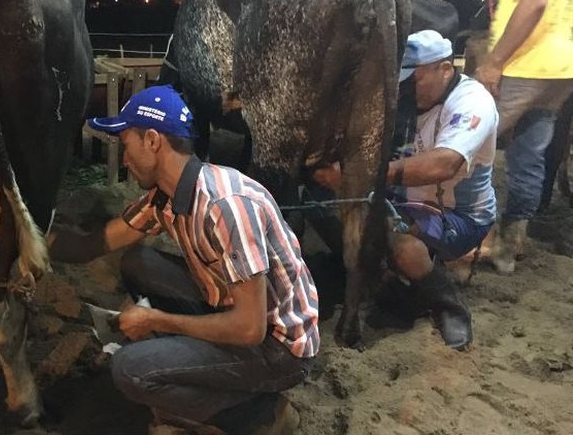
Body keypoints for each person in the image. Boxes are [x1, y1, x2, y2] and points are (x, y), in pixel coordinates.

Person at [49, 85, 317, 435]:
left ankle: (260, 414)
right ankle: (197, 369)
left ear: (152, 140)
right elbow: (93, 245)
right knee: (137, 261)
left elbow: (251, 328)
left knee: (130, 370)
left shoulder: (225, 206)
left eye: (125, 143)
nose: (125, 158)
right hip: (235, 312)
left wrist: (157, 320)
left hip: (279, 348)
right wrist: (29, 235)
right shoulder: (166, 198)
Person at [314, 30, 499, 351]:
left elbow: (444, 164)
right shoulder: (405, 99)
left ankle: (448, 306)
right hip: (398, 200)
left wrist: (359, 178)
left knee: (399, 244)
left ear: (446, 69)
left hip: (458, 216)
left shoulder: (473, 102)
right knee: (325, 204)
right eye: (404, 82)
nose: (408, 90)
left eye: (417, 80)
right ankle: (389, 281)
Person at [475, 0, 573, 273]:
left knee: (468, 146)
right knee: (529, 155)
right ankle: (508, 247)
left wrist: (495, 62)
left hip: (524, 64)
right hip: (560, 70)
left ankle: (466, 238)